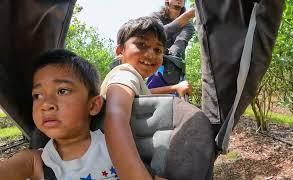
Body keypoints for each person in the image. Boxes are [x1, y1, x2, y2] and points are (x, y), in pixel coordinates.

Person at [0, 49, 118, 179]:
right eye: (38, 95)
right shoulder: (36, 162)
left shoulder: (114, 146)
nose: (45, 104)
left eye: (62, 91)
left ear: (93, 105)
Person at [100, 16, 176, 179]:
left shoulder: (134, 79)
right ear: (120, 51)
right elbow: (115, 118)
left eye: (158, 50)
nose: (150, 54)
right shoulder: (126, 74)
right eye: (141, 45)